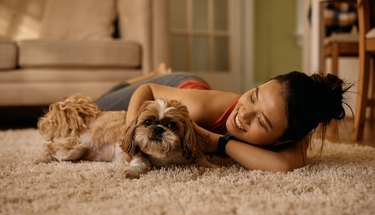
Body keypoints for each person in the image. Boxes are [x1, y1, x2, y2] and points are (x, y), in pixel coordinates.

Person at [96, 64, 351, 172]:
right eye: (253, 96)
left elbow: (283, 166)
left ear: (281, 140)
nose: (244, 114)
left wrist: (217, 141)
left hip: (200, 100)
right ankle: (160, 72)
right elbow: (148, 92)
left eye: (262, 121)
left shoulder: (294, 134)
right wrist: (130, 134)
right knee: (101, 104)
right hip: (178, 87)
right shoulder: (204, 109)